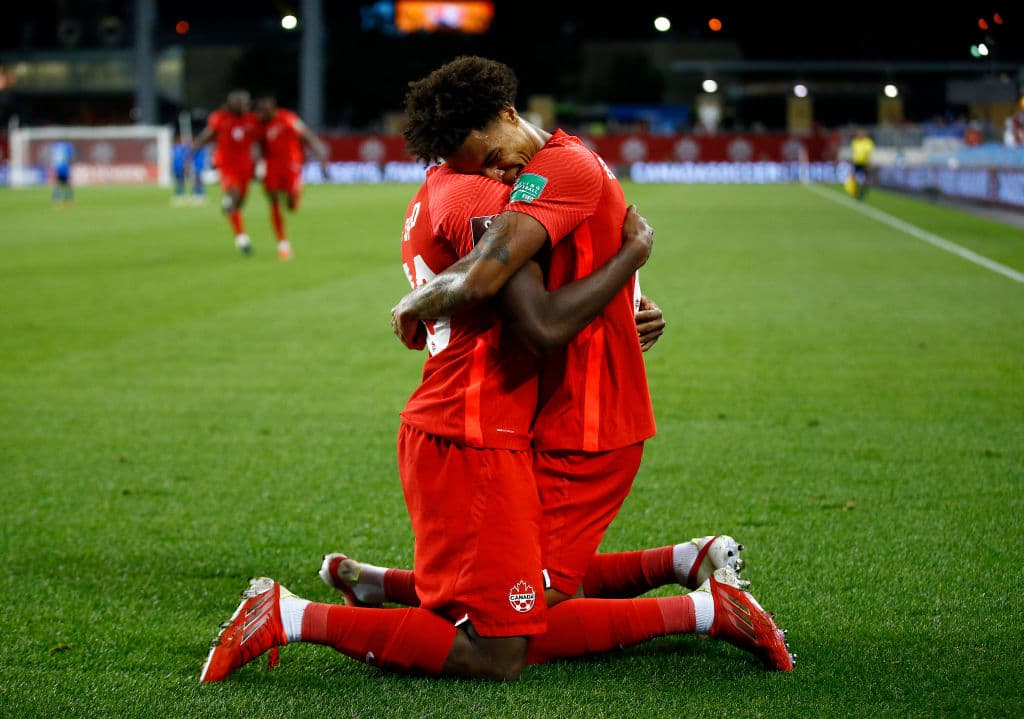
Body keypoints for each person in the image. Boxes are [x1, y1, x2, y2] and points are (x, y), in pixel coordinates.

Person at [200, 57, 792, 683]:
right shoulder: (491, 185)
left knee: (512, 616)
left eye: (488, 153)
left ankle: (697, 597)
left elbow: (512, 285)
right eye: (474, 161)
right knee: (503, 619)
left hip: (546, 421)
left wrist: (623, 294)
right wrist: (631, 268)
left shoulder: (490, 181)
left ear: (509, 115)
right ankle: (689, 578)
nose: (493, 170)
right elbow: (523, 290)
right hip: (511, 421)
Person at [201, 168, 659, 684]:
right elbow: (539, 319)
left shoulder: (434, 192)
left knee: (519, 601)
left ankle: (376, 586)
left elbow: (490, 297)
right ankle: (289, 615)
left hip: (466, 422)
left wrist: (620, 310)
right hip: (475, 430)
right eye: (491, 152)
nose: (512, 168)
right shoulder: (477, 194)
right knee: (509, 638)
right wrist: (629, 261)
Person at [255, 94, 330, 261]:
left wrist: (322, 162)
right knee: (273, 199)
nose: (263, 114)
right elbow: (259, 145)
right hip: (272, 166)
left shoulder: (288, 118)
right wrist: (260, 165)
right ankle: (282, 244)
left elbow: (308, 136)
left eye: (266, 111)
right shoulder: (260, 125)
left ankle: (295, 196)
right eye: (261, 111)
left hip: (292, 165)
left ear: (273, 108)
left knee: (291, 205)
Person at [190, 89, 262, 255]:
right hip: (226, 165)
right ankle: (241, 238)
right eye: (241, 103)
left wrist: (258, 163)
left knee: (240, 202)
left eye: (246, 103)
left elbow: (258, 142)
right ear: (232, 104)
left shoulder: (252, 119)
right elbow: (206, 135)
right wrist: (190, 156)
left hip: (245, 166)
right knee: (234, 194)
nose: (245, 106)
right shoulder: (220, 118)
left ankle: (229, 204)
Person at [171, 135, 207, 206]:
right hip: (179, 168)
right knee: (180, 181)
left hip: (197, 167)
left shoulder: (199, 149)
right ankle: (180, 195)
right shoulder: (178, 148)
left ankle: (199, 195)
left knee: (198, 181)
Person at [849, 127, 875, 200]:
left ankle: (862, 193)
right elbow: (854, 153)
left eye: (861, 133)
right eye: (858, 134)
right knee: (854, 178)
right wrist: (852, 161)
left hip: (864, 163)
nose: (859, 135)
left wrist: (868, 163)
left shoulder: (868, 142)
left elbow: (869, 153)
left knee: (866, 179)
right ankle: (855, 192)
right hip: (857, 163)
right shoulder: (855, 142)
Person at [49, 138, 74, 205]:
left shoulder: (54, 146)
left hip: (56, 167)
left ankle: (56, 200)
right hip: (64, 167)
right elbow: (70, 157)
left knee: (57, 184)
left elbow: (52, 157)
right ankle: (69, 200)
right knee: (68, 184)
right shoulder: (67, 146)